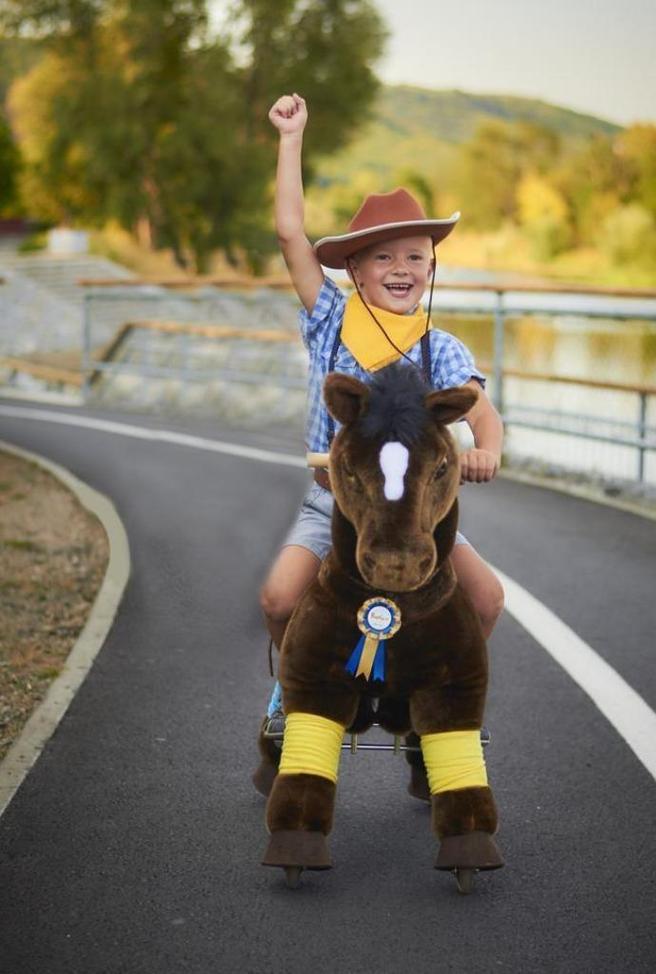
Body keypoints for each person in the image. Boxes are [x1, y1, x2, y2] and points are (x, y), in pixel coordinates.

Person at [258, 92, 505, 732]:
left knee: (486, 599)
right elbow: (289, 234)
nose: (401, 269)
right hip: (333, 504)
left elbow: (483, 416)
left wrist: (487, 450)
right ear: (356, 268)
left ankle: (435, 698)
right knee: (279, 598)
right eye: (384, 257)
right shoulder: (331, 318)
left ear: (431, 267)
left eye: (415, 257)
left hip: (416, 516)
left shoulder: (439, 348)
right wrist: (291, 138)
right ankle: (292, 687)